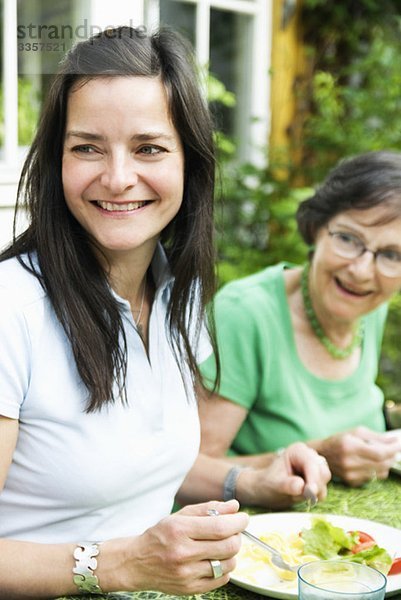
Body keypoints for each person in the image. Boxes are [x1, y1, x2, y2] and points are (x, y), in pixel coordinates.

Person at [0, 26, 330, 598]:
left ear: (190, 164)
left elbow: (141, 466)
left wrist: (249, 479)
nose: (118, 177)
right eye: (87, 147)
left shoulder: (179, 291)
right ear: (56, 162)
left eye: (148, 147)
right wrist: (120, 565)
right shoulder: (11, 310)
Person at [200, 150, 401, 489]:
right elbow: (186, 469)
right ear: (317, 228)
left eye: (392, 255)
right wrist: (319, 454)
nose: (361, 271)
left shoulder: (370, 305)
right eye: (349, 239)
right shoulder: (246, 314)